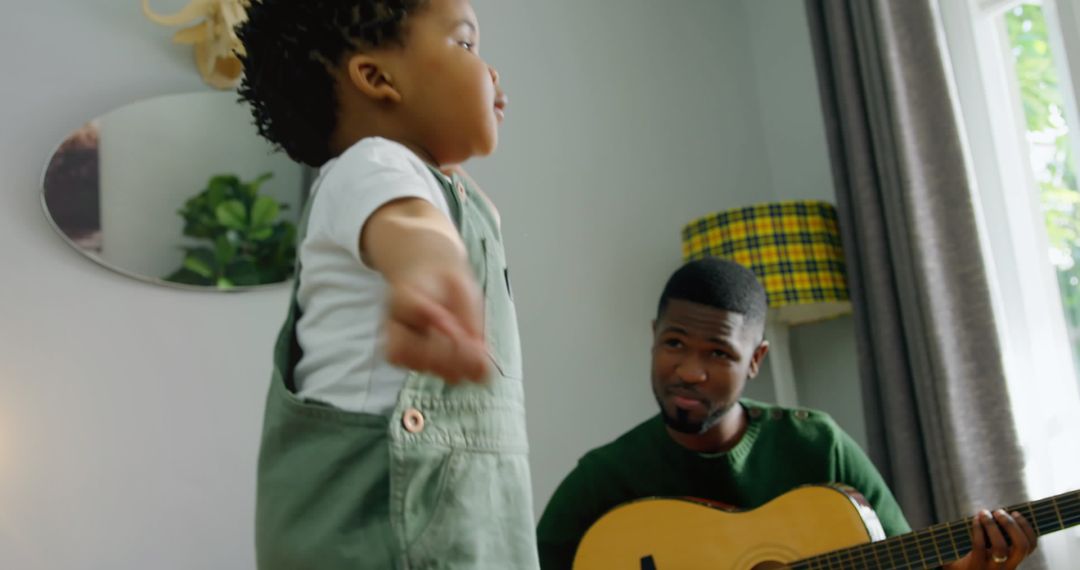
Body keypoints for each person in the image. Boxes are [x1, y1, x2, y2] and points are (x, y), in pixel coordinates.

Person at [236, 0, 538, 568]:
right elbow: (408, 225)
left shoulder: (466, 200)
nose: (491, 72)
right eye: (466, 45)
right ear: (377, 78)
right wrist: (429, 273)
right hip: (376, 522)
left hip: (474, 518)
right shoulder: (372, 166)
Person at [537, 258, 1038, 569]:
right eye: (674, 343)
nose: (690, 371)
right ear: (653, 337)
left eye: (719, 353)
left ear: (755, 360)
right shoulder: (605, 478)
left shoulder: (816, 444)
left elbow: (905, 559)